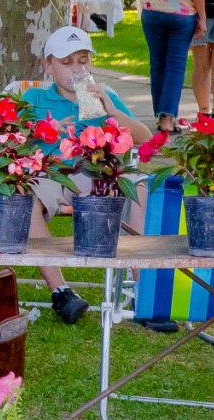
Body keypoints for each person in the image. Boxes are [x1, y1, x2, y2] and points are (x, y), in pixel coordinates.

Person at [13, 25, 155, 326]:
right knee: (21, 196)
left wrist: (111, 110)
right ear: (48, 65)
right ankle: (61, 291)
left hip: (97, 171)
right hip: (51, 173)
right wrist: (43, 129)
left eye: (83, 60)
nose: (76, 69)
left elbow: (144, 138)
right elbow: (9, 139)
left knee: (138, 190)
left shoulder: (106, 95)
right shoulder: (34, 97)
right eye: (66, 63)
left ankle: (144, 291)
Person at [137, 0, 198, 134]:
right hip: (182, 10)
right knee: (175, 66)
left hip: (151, 7)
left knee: (157, 64)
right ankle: (167, 119)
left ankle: (160, 115)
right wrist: (202, 17)